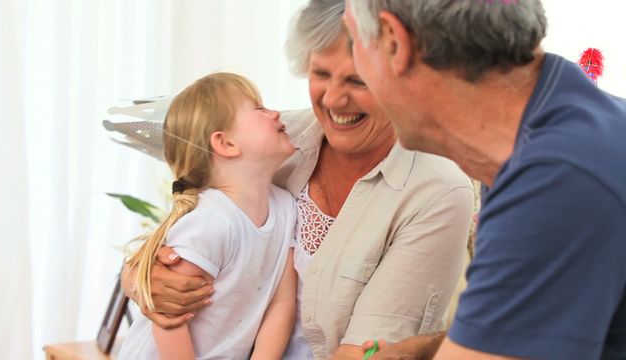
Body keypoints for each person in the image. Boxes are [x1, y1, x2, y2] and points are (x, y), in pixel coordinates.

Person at [121, 1, 475, 359]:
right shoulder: (275, 141)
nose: (335, 99)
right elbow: (183, 224)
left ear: (404, 79)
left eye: (357, 79)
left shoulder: (437, 193)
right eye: (320, 74)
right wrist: (143, 280)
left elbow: (364, 353)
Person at [343, 0, 626, 359]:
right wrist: (422, 349)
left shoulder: (556, 179)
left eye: (354, 39)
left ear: (394, 43)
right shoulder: (544, 133)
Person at [117, 72, 298, 359]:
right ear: (225, 144)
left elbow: (282, 300)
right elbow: (169, 318)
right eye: (260, 109)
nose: (275, 113)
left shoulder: (287, 209)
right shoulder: (211, 221)